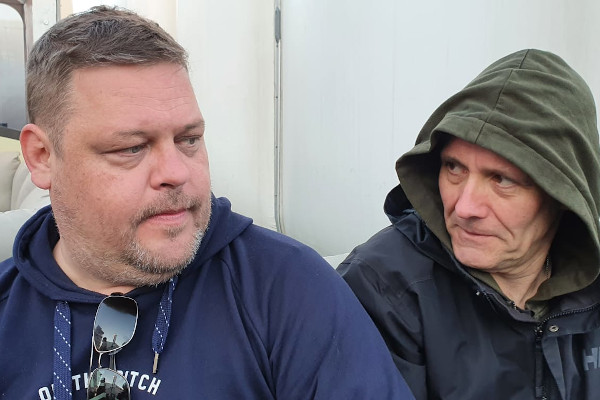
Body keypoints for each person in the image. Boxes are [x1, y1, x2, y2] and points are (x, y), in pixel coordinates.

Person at [0, 6, 413, 400]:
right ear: (42, 156)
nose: (176, 172)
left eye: (189, 140)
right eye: (131, 148)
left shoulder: (287, 289)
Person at [338, 48, 600, 400]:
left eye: (502, 179)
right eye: (454, 168)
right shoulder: (383, 287)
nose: (464, 207)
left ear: (562, 196)